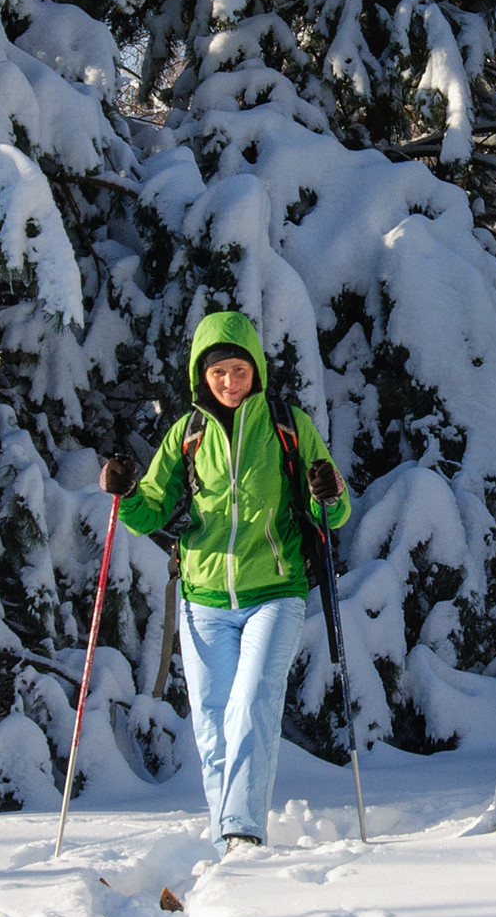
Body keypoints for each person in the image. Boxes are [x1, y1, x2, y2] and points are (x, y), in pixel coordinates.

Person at [100, 310, 350, 850]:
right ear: (202, 375)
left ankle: (242, 829)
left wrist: (326, 490)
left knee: (254, 700)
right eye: (219, 373)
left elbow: (333, 509)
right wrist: (124, 494)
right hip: (202, 598)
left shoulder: (288, 426)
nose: (231, 383)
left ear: (255, 369)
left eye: (239, 370)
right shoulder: (186, 434)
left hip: (275, 592)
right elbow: (152, 511)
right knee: (212, 722)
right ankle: (228, 839)